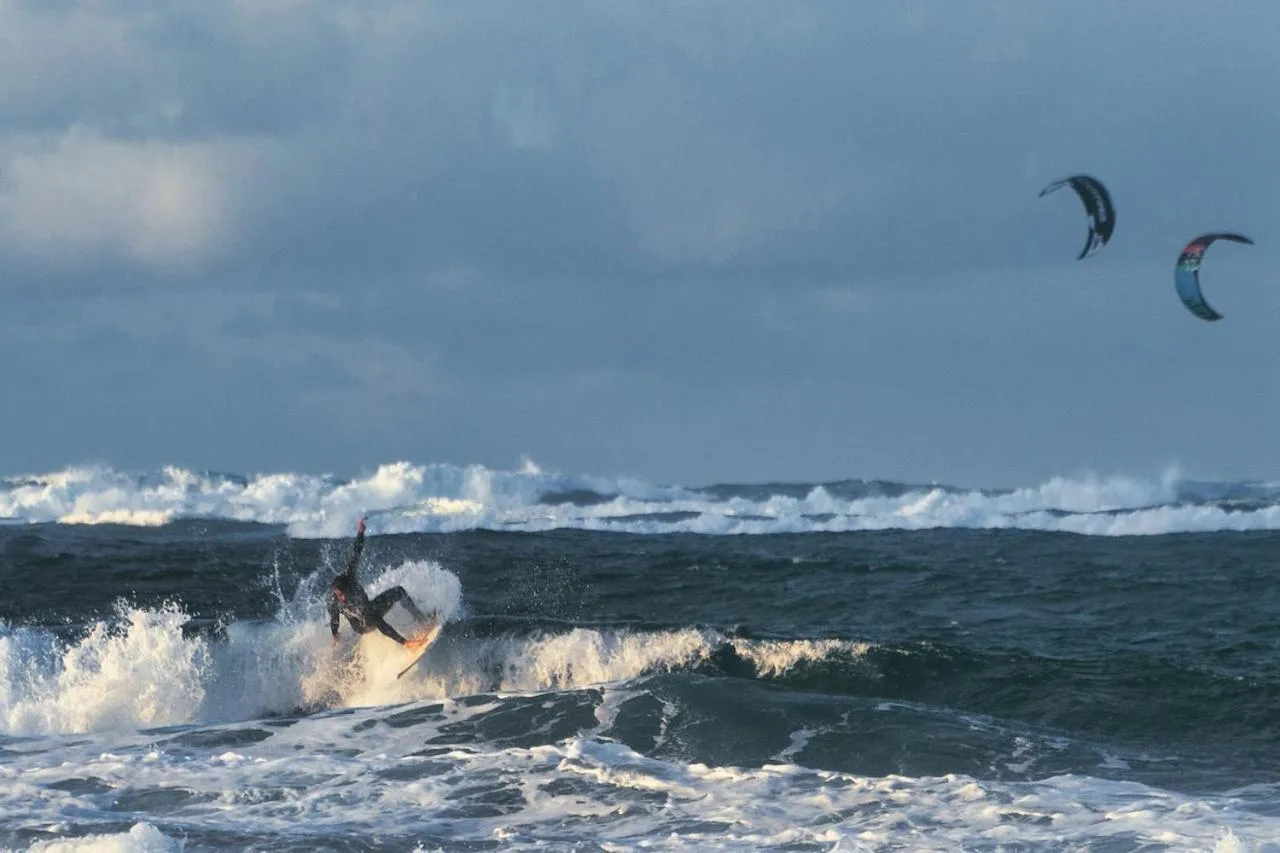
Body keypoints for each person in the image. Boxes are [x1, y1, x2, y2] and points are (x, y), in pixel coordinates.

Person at [328, 517, 435, 648]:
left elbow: (356, 552)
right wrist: (335, 635)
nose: (342, 598)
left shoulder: (349, 575)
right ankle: (406, 643)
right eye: (339, 596)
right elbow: (334, 620)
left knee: (399, 591)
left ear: (348, 586)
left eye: (344, 594)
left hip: (369, 609)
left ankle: (423, 621)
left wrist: (360, 532)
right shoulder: (334, 601)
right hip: (361, 624)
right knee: (372, 616)